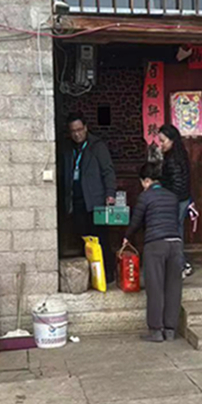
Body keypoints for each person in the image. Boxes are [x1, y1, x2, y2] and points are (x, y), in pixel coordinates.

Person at [122, 162, 183, 342]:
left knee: (155, 287)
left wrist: (127, 237)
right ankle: (170, 330)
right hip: (176, 244)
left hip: (156, 245)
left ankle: (156, 330)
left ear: (147, 180)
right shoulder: (172, 197)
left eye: (142, 182)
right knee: (173, 288)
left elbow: (136, 221)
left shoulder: (145, 197)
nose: (143, 186)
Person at [63, 111, 116, 283]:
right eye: (73, 131)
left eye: (79, 130)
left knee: (100, 239)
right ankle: (90, 276)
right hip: (77, 201)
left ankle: (108, 274)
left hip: (95, 201)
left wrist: (110, 194)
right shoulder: (68, 148)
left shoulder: (97, 146)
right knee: (83, 239)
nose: (77, 134)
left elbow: (108, 171)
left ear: (86, 128)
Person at [157, 123, 193, 277]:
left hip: (176, 201)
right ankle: (181, 263)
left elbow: (176, 184)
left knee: (174, 234)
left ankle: (180, 265)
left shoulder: (172, 159)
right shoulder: (179, 155)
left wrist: (167, 200)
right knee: (177, 232)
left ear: (172, 140)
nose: (161, 144)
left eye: (163, 141)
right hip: (182, 199)